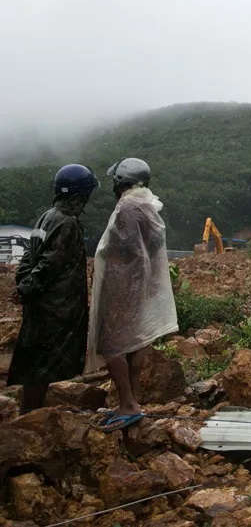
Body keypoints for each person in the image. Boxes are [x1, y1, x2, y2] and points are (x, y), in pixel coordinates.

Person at [88, 158, 178, 433]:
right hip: (143, 281)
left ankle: (128, 403)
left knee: (112, 343)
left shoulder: (127, 206)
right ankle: (131, 400)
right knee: (135, 339)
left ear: (121, 181)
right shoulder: (147, 204)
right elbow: (151, 245)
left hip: (123, 283)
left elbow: (124, 247)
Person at [8, 165, 99, 414]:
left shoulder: (46, 216)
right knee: (43, 364)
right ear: (79, 195)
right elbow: (51, 263)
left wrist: (23, 285)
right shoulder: (68, 222)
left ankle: (30, 411)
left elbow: (30, 256)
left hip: (41, 305)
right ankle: (32, 416)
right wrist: (27, 288)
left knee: (36, 360)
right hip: (55, 308)